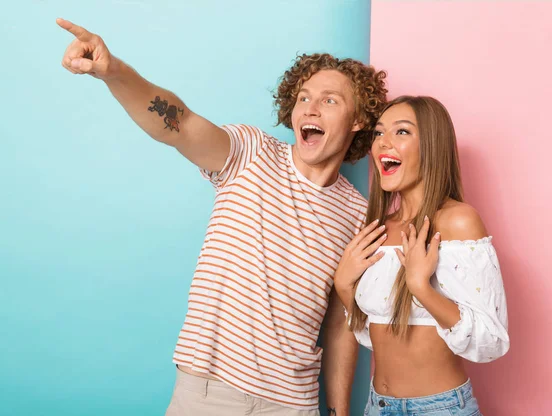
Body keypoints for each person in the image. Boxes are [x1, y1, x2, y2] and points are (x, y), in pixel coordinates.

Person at [56, 18, 388, 415]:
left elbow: (341, 322)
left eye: (329, 100)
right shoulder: (250, 153)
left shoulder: (357, 214)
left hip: (295, 405)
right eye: (303, 98)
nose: (310, 108)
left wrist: (337, 411)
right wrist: (115, 73)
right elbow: (176, 123)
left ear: (358, 120)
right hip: (209, 394)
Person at [334, 96, 510, 415]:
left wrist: (421, 288)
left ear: (431, 145)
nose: (383, 143)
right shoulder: (378, 230)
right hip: (377, 406)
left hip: (440, 408)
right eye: (378, 133)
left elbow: (490, 343)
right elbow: (378, 338)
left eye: (401, 132)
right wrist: (345, 288)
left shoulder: (458, 221)